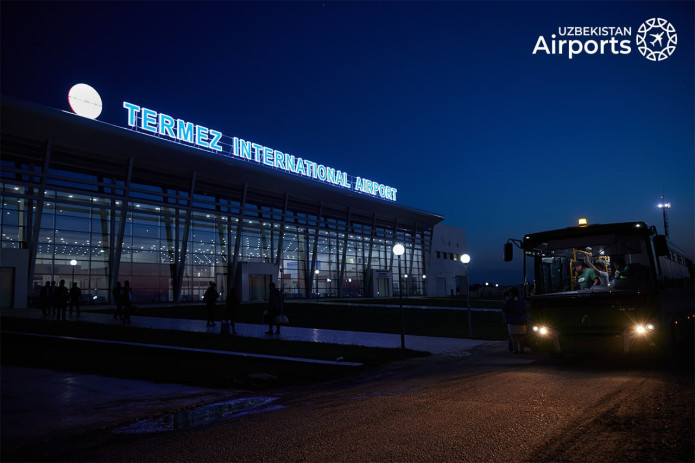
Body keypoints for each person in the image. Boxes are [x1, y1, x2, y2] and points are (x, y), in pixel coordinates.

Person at [503, 287, 527, 354]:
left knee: (514, 336)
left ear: (511, 293)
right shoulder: (520, 300)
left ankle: (515, 350)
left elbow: (504, 309)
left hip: (512, 320)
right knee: (521, 336)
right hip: (521, 320)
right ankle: (522, 349)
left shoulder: (509, 301)